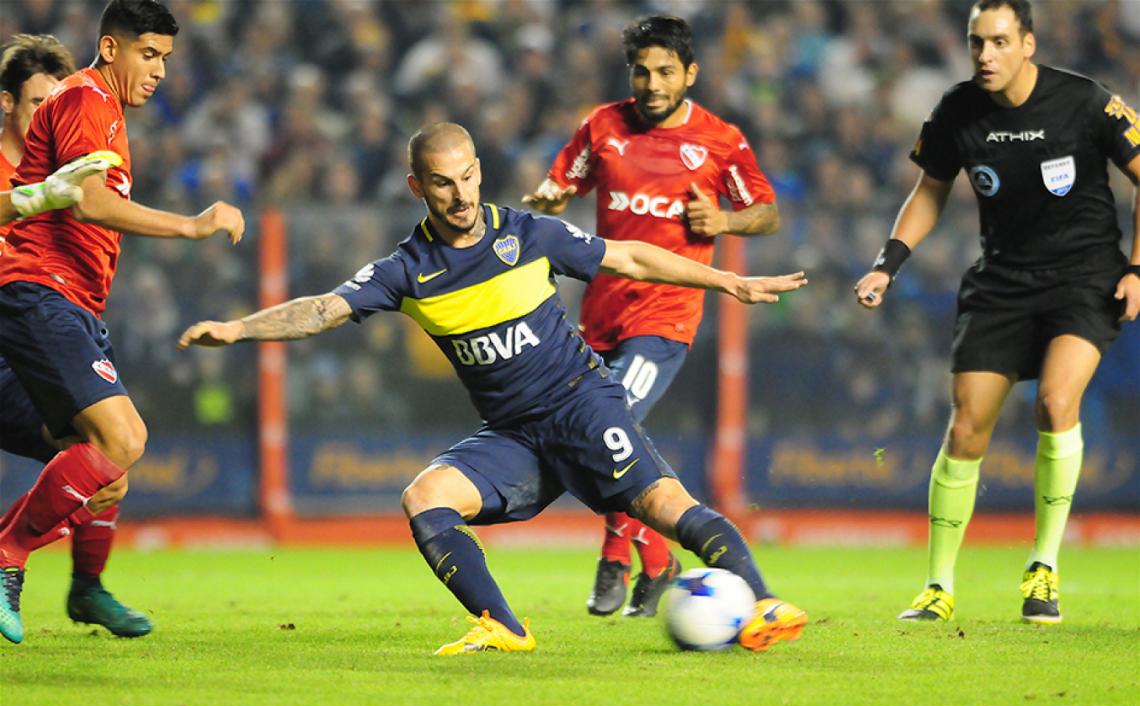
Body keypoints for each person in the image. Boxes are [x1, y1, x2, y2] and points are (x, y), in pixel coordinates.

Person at [180, 122, 808, 655]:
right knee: (425, 497)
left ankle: (768, 603)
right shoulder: (408, 271)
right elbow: (322, 310)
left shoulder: (529, 234)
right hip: (514, 436)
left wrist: (727, 281)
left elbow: (633, 257)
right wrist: (237, 329)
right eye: (442, 183)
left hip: (582, 405)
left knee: (663, 506)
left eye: (467, 177)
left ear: (479, 171)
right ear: (417, 187)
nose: (459, 195)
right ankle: (505, 627)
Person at [853, 0, 1139, 624]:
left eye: (1000, 42)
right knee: (965, 430)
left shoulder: (1088, 102)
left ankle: (1043, 570)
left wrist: (1138, 268)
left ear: (1028, 44)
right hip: (1001, 283)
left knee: (1056, 404)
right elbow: (929, 192)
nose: (986, 55)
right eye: (977, 42)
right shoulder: (957, 109)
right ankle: (937, 586)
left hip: (1084, 279)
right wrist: (887, 264)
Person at [0, 0, 246, 645]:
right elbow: (89, 202)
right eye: (149, 54)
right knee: (123, 439)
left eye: (166, 57)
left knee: (105, 474)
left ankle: (86, 590)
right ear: (111, 49)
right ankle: (8, 553)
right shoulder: (85, 99)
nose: (161, 70)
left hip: (70, 301)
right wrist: (191, 225)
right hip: (39, 291)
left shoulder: (102, 110)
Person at [523, 15, 780, 618]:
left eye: (666, 71)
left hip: (666, 319)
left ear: (691, 73)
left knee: (609, 422)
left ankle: (616, 553)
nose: (652, 82)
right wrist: (548, 196)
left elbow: (764, 211)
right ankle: (659, 557)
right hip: (601, 315)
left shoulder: (720, 140)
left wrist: (725, 221)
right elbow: (564, 181)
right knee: (604, 434)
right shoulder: (602, 125)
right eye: (642, 70)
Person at [0, 33, 146, 639]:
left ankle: (87, 588)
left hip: (29, 335)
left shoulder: (70, 173)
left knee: (109, 467)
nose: (50, 114)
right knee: (109, 442)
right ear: (7, 104)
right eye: (38, 103)